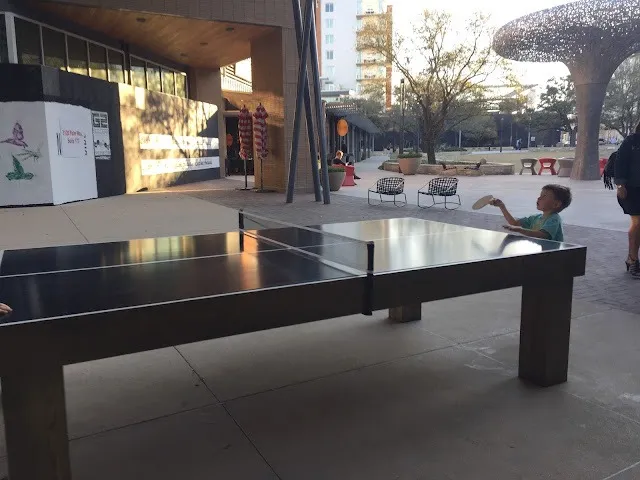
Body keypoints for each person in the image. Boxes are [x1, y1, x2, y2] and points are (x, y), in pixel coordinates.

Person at [490, 184, 572, 242]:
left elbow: (542, 235)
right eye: (540, 195)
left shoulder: (554, 219)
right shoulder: (535, 218)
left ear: (556, 204)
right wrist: (502, 207)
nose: (539, 198)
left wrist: (520, 230)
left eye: (544, 196)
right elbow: (514, 223)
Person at [614, 121, 640, 277]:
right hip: (632, 189)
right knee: (637, 223)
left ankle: (634, 260)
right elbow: (620, 162)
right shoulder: (632, 141)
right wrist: (620, 185)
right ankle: (632, 260)